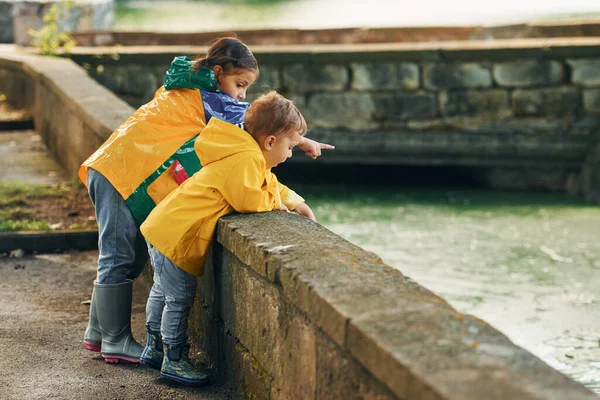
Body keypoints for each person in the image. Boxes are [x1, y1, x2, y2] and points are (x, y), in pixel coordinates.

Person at [80, 37, 332, 365]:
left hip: (117, 166)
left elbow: (255, 126)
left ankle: (98, 335)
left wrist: (296, 141)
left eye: (246, 87)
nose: (242, 93)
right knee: (118, 256)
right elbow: (259, 123)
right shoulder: (209, 99)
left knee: (120, 255)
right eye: (239, 84)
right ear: (217, 72)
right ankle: (114, 340)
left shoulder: (189, 87)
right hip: (120, 171)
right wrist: (301, 140)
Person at [139, 91, 314, 385]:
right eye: (291, 147)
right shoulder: (245, 158)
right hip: (175, 234)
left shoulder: (243, 152)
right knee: (178, 297)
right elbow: (249, 200)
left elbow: (267, 182)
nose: (290, 154)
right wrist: (277, 204)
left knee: (162, 291)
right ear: (270, 142)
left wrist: (295, 202)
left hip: (165, 226)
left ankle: (154, 347)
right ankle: (174, 358)